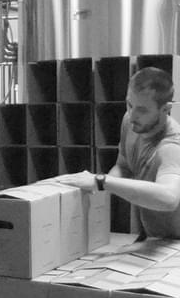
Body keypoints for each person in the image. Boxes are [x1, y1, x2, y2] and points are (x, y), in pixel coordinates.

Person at [59, 66, 180, 238]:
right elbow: (123, 167)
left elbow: (169, 198)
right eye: (129, 104)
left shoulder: (171, 146)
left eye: (142, 109)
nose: (132, 115)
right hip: (154, 237)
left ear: (166, 108)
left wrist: (101, 181)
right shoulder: (131, 123)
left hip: (175, 244)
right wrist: (95, 189)